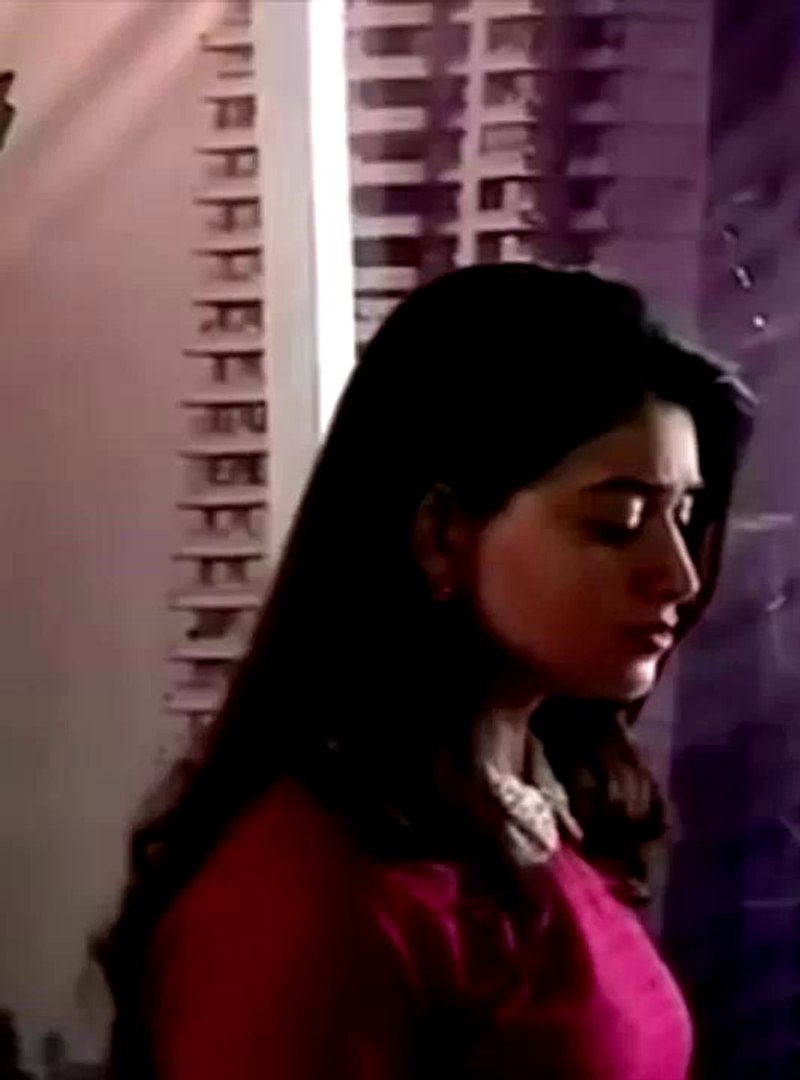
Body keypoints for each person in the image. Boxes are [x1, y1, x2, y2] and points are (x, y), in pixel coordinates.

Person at [94, 265, 753, 1080]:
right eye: (617, 522)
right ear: (441, 534)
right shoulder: (316, 894)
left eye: (683, 518)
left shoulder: (532, 818)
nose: (678, 575)